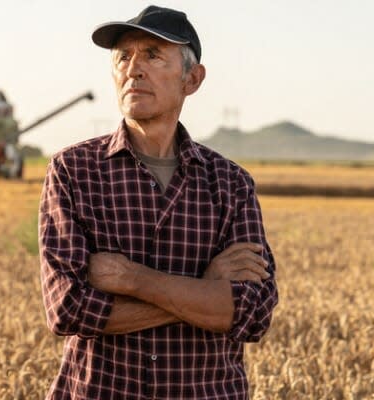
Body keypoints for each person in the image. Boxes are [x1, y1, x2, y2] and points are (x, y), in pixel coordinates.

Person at [38, 5, 278, 399]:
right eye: (123, 57)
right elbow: (69, 308)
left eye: (152, 55)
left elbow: (251, 313)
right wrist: (205, 288)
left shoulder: (231, 184)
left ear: (192, 79)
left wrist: (133, 280)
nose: (133, 69)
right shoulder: (73, 171)